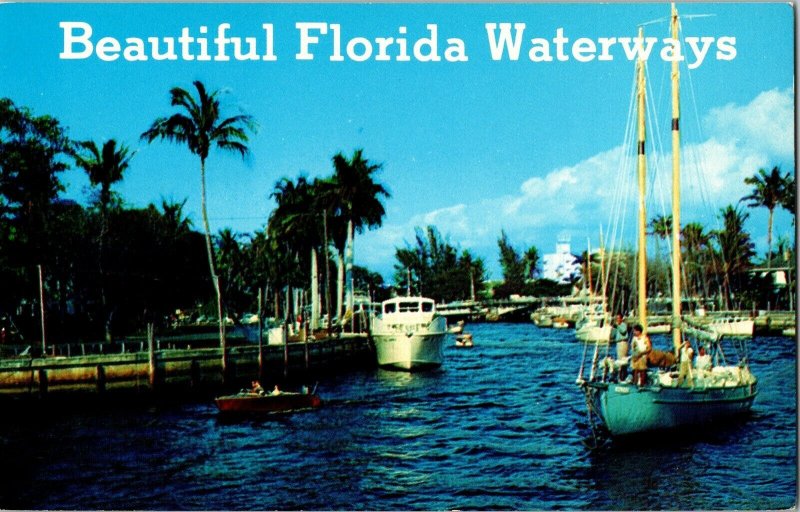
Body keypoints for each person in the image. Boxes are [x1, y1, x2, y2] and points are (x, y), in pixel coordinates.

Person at [611, 314, 629, 381]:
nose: (617, 320)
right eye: (616, 318)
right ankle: (620, 375)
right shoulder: (617, 327)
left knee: (623, 360)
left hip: (623, 342)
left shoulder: (623, 325)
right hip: (618, 343)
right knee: (619, 360)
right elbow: (613, 335)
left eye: (618, 318)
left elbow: (623, 331)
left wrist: (618, 325)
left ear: (621, 319)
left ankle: (624, 375)